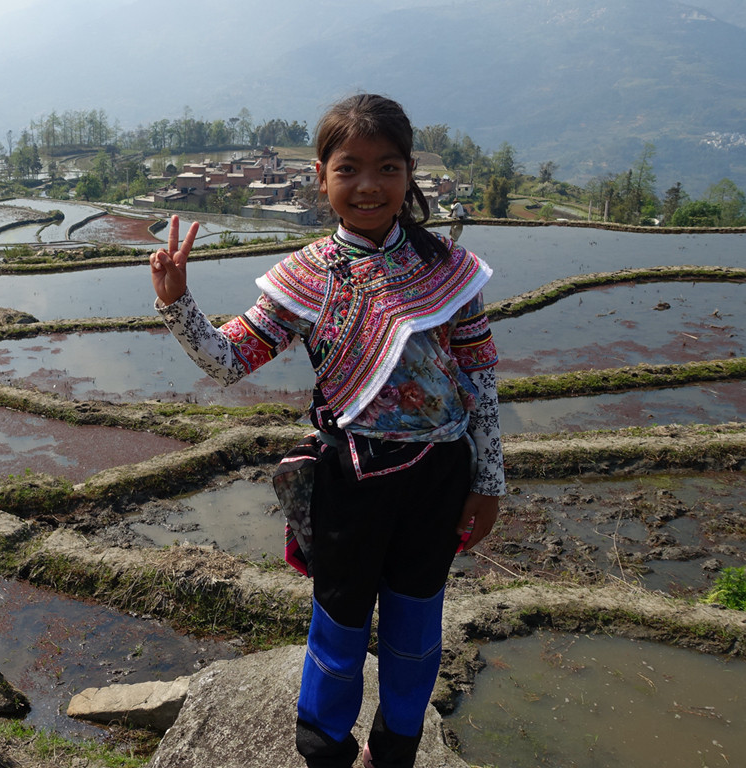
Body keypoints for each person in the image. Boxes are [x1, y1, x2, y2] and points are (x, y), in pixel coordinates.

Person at [148, 93, 503, 768]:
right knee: (338, 628)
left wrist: (488, 482)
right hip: (352, 481)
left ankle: (395, 748)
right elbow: (230, 361)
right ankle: (326, 753)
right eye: (350, 168)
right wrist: (177, 305)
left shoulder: (449, 271)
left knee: (415, 628)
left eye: (387, 167)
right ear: (322, 176)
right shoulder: (305, 277)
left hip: (438, 478)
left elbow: (481, 376)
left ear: (409, 175)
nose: (369, 185)